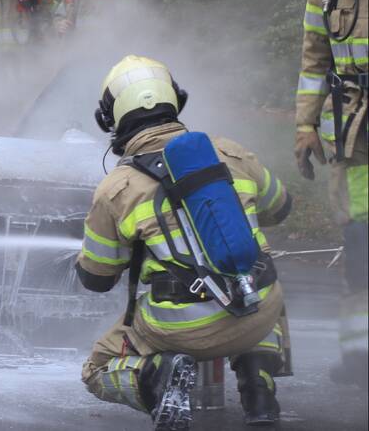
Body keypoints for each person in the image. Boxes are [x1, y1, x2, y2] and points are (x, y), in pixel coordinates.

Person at [78, 55, 292, 430]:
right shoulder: (231, 152)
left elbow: (97, 278)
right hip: (259, 315)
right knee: (262, 274)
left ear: (110, 119)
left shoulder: (116, 190)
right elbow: (281, 207)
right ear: (176, 99)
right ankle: (260, 389)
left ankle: (157, 380)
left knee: (96, 368)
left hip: (180, 332)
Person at [294, 0, 368, 389]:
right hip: (353, 135)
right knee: (359, 247)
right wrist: (304, 123)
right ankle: (359, 356)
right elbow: (314, 58)